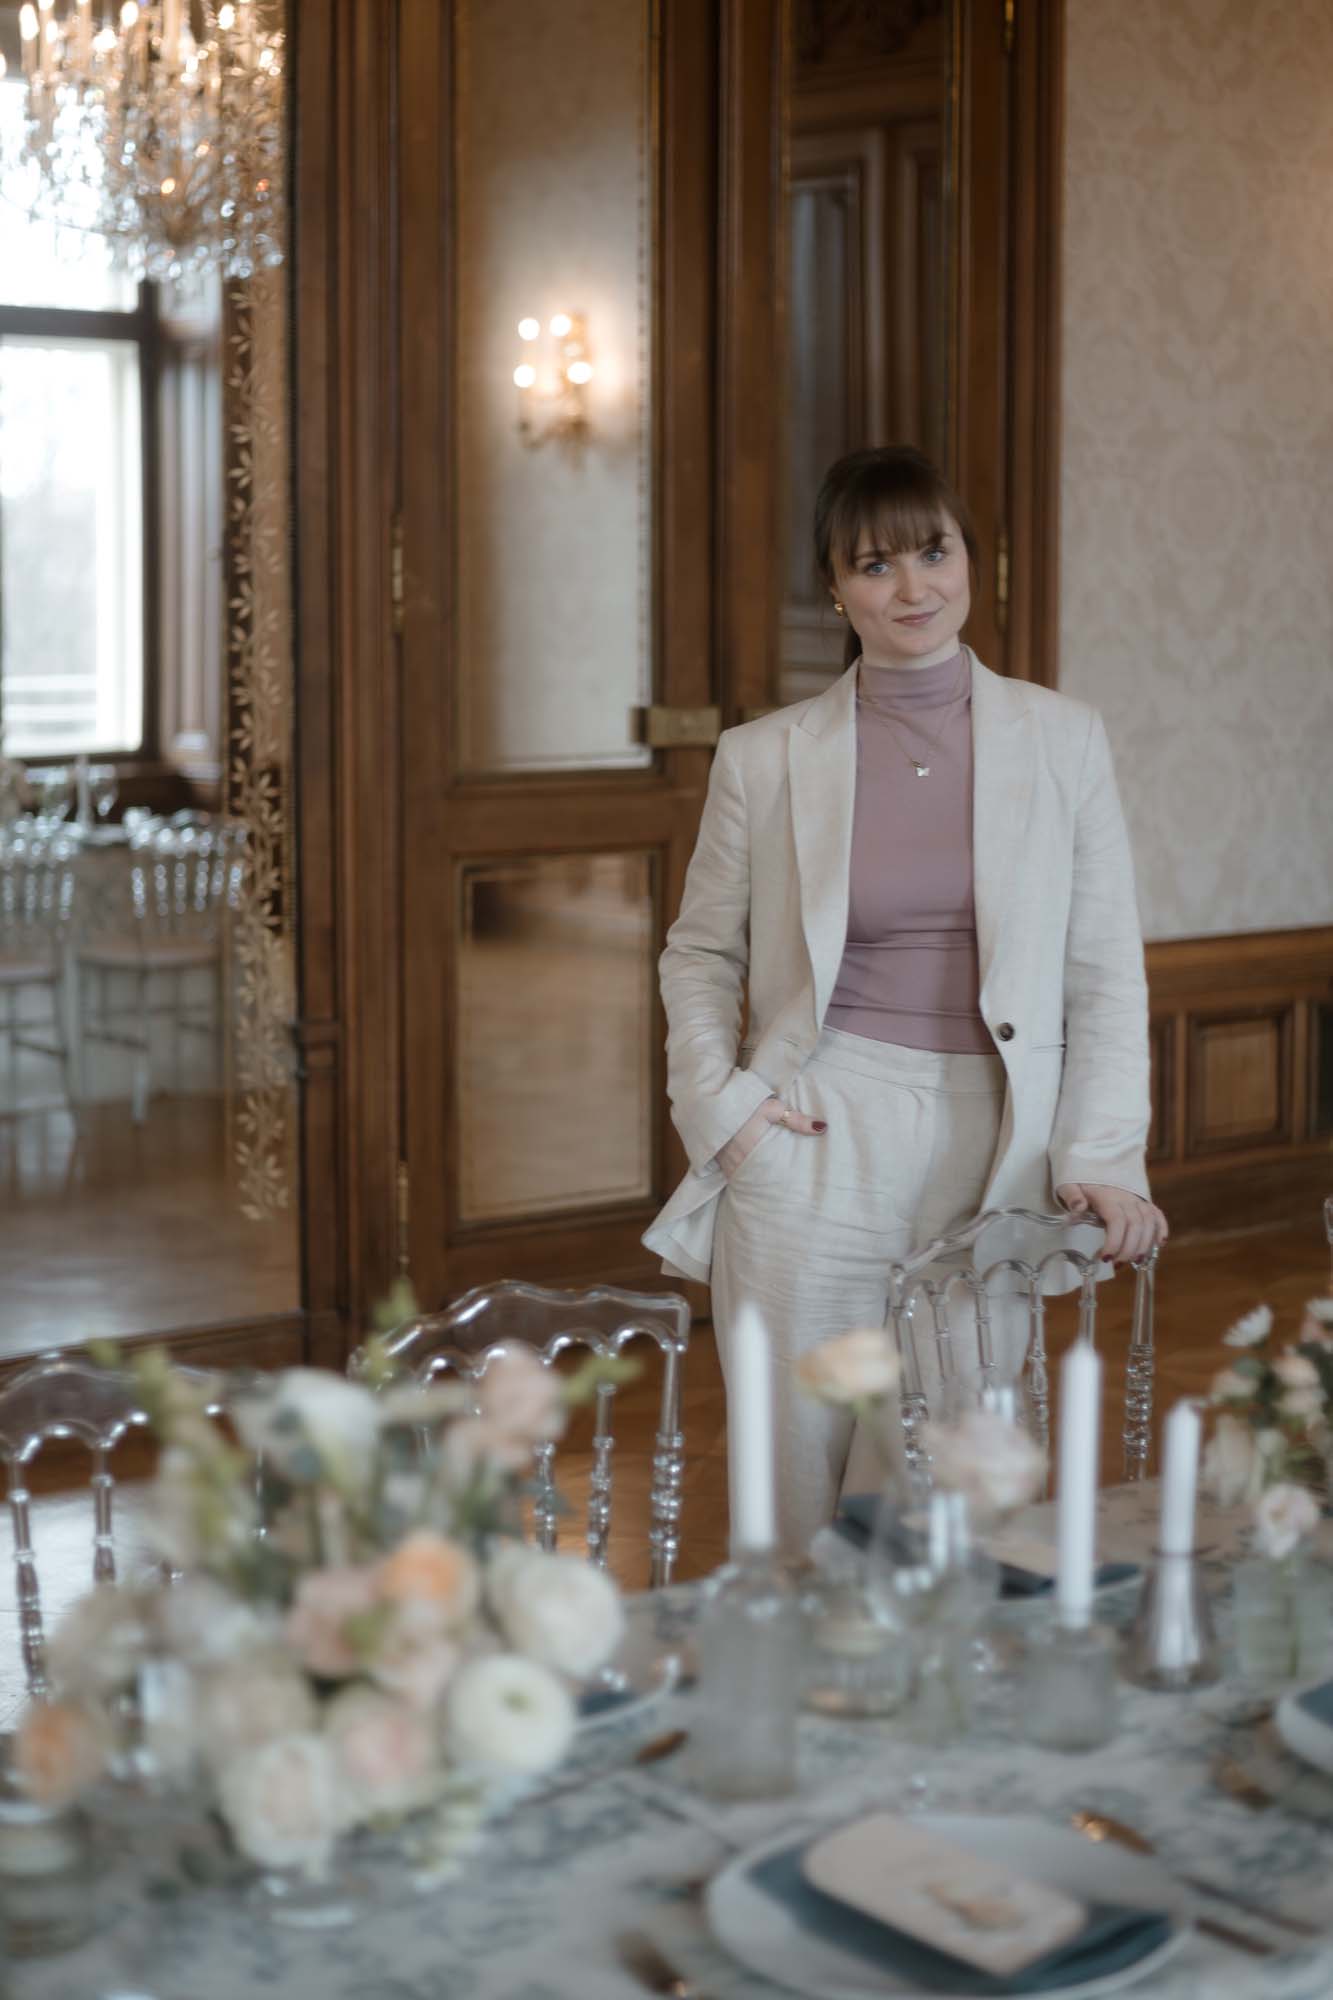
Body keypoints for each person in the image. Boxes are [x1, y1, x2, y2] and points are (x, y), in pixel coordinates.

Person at [643, 444, 1168, 1557]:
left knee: (964, 1491)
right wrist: (722, 1109)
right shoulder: (763, 757)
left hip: (999, 1143)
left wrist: (1105, 1152)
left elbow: (1102, 968)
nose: (912, 588)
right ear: (835, 589)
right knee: (794, 1496)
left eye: (933, 553)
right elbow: (698, 952)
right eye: (874, 565)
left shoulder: (1062, 738)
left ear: (973, 560)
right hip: (812, 1133)